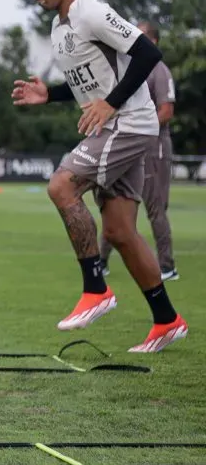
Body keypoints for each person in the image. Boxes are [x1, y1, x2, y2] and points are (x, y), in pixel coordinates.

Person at [12, 0, 187, 353]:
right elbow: (89, 84)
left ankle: (96, 288)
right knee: (121, 231)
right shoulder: (60, 27)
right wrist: (50, 94)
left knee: (62, 187)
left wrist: (112, 104)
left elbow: (148, 52)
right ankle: (167, 320)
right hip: (115, 124)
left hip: (128, 124)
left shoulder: (91, 11)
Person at [99, 22, 178, 282]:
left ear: (152, 41)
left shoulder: (159, 70)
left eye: (139, 35)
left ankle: (167, 267)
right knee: (116, 200)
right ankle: (101, 262)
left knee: (155, 207)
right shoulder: (131, 68)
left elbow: (166, 111)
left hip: (153, 145)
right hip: (129, 142)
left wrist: (139, 128)